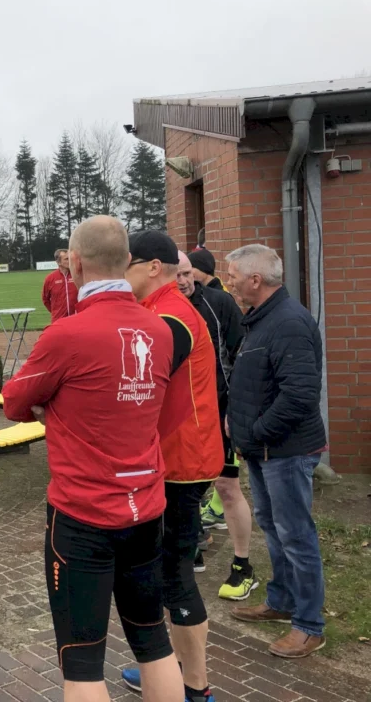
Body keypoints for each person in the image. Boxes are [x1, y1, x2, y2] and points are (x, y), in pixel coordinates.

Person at [4, 216, 184, 702]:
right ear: (126, 262)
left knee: (82, 662)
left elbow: (16, 404)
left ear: (75, 263)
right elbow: (165, 413)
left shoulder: (67, 335)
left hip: (83, 515)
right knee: (153, 641)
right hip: (146, 508)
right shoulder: (162, 329)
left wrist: (59, 398)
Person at [121, 231, 223, 702]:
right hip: (177, 455)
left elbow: (144, 379)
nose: (122, 276)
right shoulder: (157, 310)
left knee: (174, 575)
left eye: (128, 266)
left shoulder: (170, 315)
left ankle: (196, 687)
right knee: (166, 572)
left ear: (152, 267)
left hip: (184, 460)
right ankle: (170, 670)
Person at [224, 244, 327, 659]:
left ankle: (309, 626)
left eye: (232, 275)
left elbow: (300, 395)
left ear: (255, 279)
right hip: (263, 451)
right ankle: (281, 602)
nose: (228, 281)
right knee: (274, 526)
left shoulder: (287, 323)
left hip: (284, 451)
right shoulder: (261, 320)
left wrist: (257, 432)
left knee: (296, 535)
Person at [176, 252, 255, 599]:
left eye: (187, 273)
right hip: (180, 418)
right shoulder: (150, 308)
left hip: (219, 414)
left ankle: (242, 565)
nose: (183, 280)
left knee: (226, 486)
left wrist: (233, 410)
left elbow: (243, 357)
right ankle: (191, 543)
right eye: (175, 274)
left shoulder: (218, 303)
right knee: (181, 484)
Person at [41, 248, 79, 323]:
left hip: (76, 318)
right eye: (66, 259)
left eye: (70, 259)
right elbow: (45, 299)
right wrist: (55, 311)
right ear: (59, 262)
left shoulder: (77, 275)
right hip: (58, 320)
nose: (70, 261)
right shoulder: (50, 278)